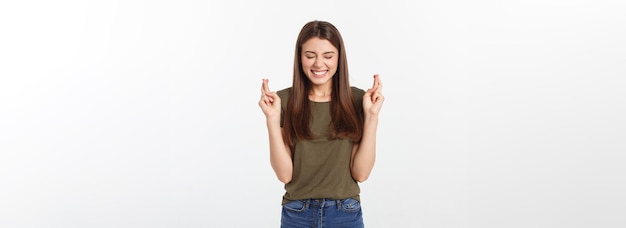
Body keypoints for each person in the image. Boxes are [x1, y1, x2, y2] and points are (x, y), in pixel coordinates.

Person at [258, 20, 384, 228]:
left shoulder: (358, 100)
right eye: (310, 56)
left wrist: (372, 117)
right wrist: (271, 120)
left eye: (328, 56)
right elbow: (284, 174)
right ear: (300, 58)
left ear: (339, 58)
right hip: (297, 213)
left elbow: (361, 173)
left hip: (345, 214)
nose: (318, 64)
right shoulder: (283, 101)